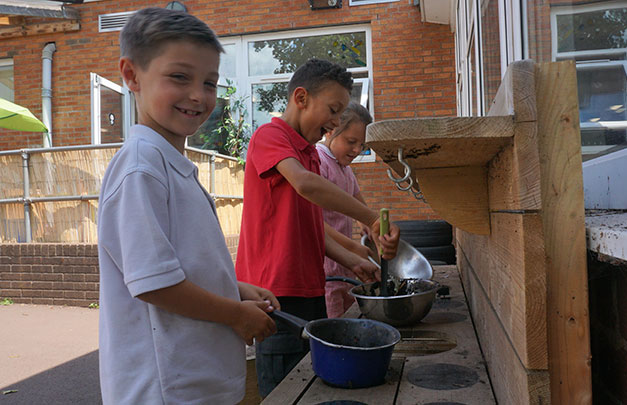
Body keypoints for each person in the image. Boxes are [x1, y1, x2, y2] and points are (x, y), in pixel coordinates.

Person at [97, 8, 279, 404]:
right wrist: (235, 314)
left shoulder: (169, 164)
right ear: (131, 75)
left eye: (210, 82)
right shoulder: (140, 168)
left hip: (195, 382)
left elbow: (183, 268)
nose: (198, 95)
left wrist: (236, 290)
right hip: (164, 390)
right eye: (179, 77)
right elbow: (155, 283)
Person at [235, 58, 400, 397]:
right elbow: (305, 184)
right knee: (283, 388)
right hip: (275, 293)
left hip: (310, 286)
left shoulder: (308, 153)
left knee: (309, 387)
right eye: (334, 110)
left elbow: (313, 229)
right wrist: (369, 218)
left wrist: (352, 260)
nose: (336, 122)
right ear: (301, 98)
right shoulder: (270, 136)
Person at [317, 101, 375, 318]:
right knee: (333, 326)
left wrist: (371, 227)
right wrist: (351, 246)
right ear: (331, 131)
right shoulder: (319, 162)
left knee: (350, 317)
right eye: (351, 141)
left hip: (348, 266)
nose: (357, 150)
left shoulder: (346, 169)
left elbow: (361, 208)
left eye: (362, 145)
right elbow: (313, 221)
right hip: (326, 268)